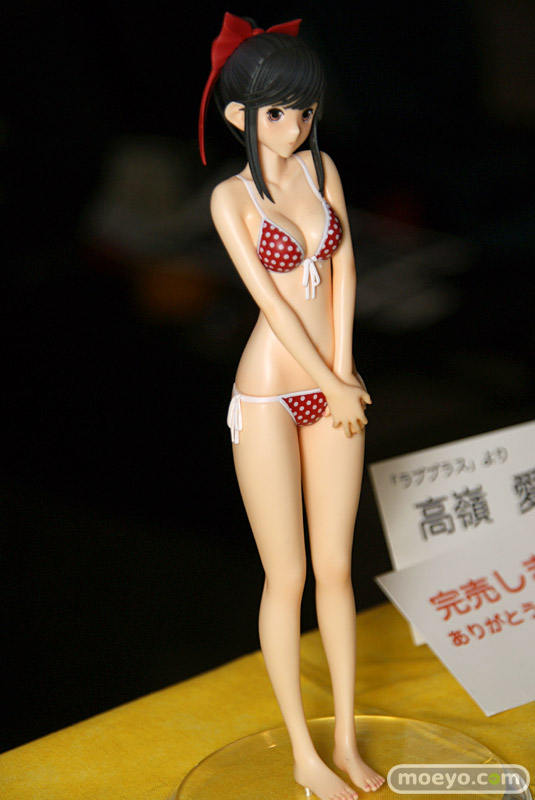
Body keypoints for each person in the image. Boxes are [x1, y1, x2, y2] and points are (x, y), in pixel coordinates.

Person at [200, 13, 385, 799]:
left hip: (330, 379)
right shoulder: (230, 199)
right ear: (237, 115)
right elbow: (272, 306)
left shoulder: (321, 169)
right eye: (277, 111)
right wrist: (325, 380)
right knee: (288, 574)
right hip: (269, 391)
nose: (295, 126)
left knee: (338, 567)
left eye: (304, 110)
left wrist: (341, 371)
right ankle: (304, 757)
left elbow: (343, 272)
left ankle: (343, 740)